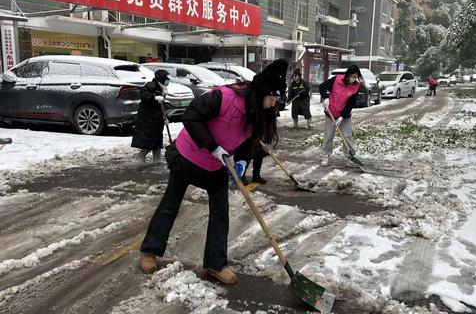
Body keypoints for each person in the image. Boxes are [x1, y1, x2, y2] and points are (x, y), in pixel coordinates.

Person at [139, 59, 288, 284]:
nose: (273, 105)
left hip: (218, 165)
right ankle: (150, 251)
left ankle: (215, 264)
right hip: (188, 156)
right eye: (272, 99)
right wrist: (213, 146)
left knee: (221, 212)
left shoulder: (259, 112)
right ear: (260, 93)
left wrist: (241, 162)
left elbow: (249, 141)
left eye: (276, 100)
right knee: (171, 204)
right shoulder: (223, 98)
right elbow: (191, 117)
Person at [318, 65, 362, 167]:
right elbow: (322, 86)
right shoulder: (337, 79)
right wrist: (326, 98)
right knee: (329, 135)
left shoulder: (356, 86)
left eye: (355, 77)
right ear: (347, 75)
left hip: (345, 116)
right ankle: (325, 155)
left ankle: (350, 157)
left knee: (347, 136)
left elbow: (351, 104)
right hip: (331, 112)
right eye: (352, 76)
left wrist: (342, 116)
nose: (353, 79)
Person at [131, 69, 170, 164]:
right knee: (150, 141)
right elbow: (143, 94)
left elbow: (162, 106)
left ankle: (157, 160)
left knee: (157, 141)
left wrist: (166, 117)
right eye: (167, 79)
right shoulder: (151, 85)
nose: (168, 81)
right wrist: (154, 97)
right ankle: (140, 157)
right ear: (161, 78)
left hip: (156, 119)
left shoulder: (162, 88)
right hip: (148, 119)